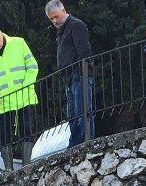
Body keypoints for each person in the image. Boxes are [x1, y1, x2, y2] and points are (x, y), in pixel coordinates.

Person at [0, 24, 39, 172]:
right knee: (4, 136)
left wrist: (26, 84)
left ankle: (27, 165)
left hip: (25, 97)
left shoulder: (19, 43)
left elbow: (32, 65)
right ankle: (9, 169)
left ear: (1, 33)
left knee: (27, 131)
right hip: (2, 102)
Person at [45, 0, 94, 148]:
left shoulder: (76, 25)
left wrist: (82, 72)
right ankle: (75, 143)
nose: (54, 20)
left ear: (63, 10)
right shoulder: (61, 31)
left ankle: (86, 142)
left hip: (79, 74)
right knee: (72, 115)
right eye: (51, 18)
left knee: (83, 111)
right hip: (69, 77)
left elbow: (84, 52)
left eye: (56, 16)